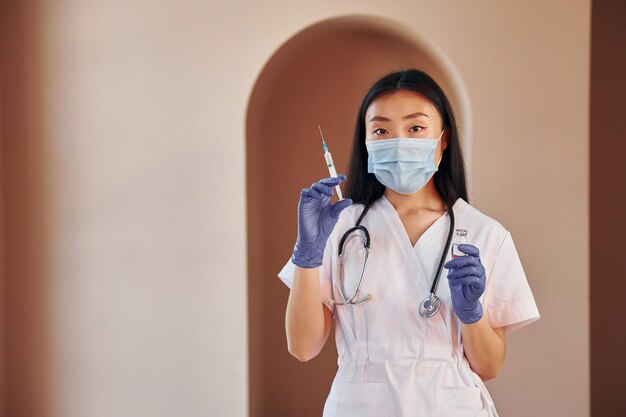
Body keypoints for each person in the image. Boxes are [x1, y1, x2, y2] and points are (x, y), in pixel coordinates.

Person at [278, 69, 540, 417]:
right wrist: (307, 255)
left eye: (415, 128)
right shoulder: (339, 227)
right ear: (366, 141)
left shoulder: (484, 234)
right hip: (360, 406)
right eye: (381, 130)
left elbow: (490, 367)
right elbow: (302, 346)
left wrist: (471, 313)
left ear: (443, 138)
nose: (397, 141)